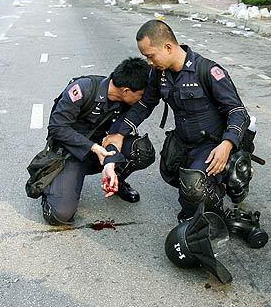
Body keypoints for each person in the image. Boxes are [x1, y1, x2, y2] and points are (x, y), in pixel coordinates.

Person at [104, 20, 250, 222]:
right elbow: (145, 105)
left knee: (194, 188)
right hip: (183, 141)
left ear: (168, 47)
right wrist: (119, 133)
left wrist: (227, 145)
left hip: (212, 143)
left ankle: (226, 189)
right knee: (170, 172)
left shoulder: (207, 71)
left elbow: (238, 111)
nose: (148, 62)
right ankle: (206, 187)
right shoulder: (159, 74)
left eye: (150, 56)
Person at [40, 58, 156, 226]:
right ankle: (52, 187)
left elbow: (116, 135)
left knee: (142, 150)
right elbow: (57, 127)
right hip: (72, 152)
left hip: (102, 148)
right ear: (126, 91)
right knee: (60, 215)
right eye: (140, 95)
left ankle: (116, 179)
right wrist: (92, 147)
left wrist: (110, 164)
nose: (141, 100)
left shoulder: (126, 102)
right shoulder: (83, 89)